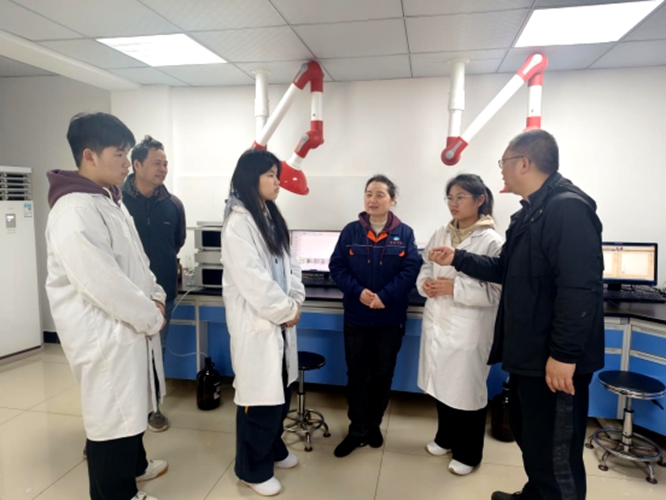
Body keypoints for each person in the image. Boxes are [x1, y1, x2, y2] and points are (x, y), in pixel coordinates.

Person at [429, 130, 604, 500]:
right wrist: (458, 257)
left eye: (504, 162)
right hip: (528, 355)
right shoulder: (529, 214)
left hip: (553, 359)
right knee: (533, 437)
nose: (501, 171)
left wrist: (564, 355)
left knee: (556, 450)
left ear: (524, 163)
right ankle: (535, 493)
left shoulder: (567, 209)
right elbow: (504, 268)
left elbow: (579, 289)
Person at [45, 112, 168, 500]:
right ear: (89, 155)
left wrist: (157, 296)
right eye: (119, 154)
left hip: (128, 328)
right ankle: (116, 495)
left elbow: (138, 264)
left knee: (129, 411)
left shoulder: (109, 201)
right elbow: (102, 283)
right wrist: (150, 316)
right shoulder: (74, 211)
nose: (126, 163)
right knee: (111, 421)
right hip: (104, 337)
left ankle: (136, 468)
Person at [221, 149, 305, 497]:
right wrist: (286, 310)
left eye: (277, 174)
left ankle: (274, 447)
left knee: (280, 391)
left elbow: (291, 264)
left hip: (280, 321)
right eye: (270, 175)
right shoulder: (239, 224)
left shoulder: (269, 215)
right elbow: (253, 281)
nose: (277, 181)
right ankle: (251, 470)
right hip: (258, 325)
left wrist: (295, 300)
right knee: (258, 401)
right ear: (250, 177)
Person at [329, 175, 421, 458]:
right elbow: (337, 266)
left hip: (389, 319)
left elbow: (410, 270)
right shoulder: (351, 232)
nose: (373, 199)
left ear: (392, 200)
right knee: (357, 374)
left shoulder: (405, 234)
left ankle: (373, 425)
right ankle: (356, 428)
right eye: (369, 193)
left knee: (382, 374)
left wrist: (385, 296)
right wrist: (358, 292)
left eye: (380, 194)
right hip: (357, 317)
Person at [417, 174, 503, 476]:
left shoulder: (492, 242)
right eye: (450, 198)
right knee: (441, 385)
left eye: (461, 197)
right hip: (438, 321)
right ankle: (445, 438)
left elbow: (496, 292)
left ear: (480, 200)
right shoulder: (441, 232)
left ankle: (469, 454)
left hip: (469, 327)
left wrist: (454, 289)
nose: (454, 204)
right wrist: (425, 283)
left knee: (467, 392)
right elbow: (426, 265)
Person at [123, 135, 187, 432]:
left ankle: (153, 408)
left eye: (165, 164)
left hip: (162, 296)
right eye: (156, 163)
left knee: (156, 352)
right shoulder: (115, 202)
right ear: (137, 165)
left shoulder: (173, 205)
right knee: (123, 355)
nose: (163, 169)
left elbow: (177, 242)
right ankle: (124, 412)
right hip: (124, 295)